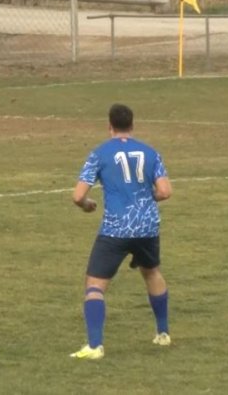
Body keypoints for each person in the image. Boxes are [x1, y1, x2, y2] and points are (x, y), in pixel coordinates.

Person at [69, 103, 173, 360]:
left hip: (116, 228)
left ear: (109, 126)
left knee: (94, 285)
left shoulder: (100, 153)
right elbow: (165, 191)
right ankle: (163, 333)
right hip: (147, 226)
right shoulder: (151, 153)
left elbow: (78, 195)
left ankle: (95, 346)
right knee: (152, 273)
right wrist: (145, 199)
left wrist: (87, 205)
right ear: (132, 126)